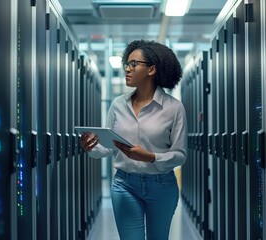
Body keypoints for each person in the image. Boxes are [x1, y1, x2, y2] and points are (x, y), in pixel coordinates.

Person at [79, 39, 188, 240]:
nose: (127, 69)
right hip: (124, 185)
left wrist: (150, 157)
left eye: (133, 64)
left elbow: (180, 155)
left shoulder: (174, 108)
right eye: (126, 64)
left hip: (162, 185)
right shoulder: (118, 104)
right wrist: (91, 147)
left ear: (152, 69)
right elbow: (108, 148)